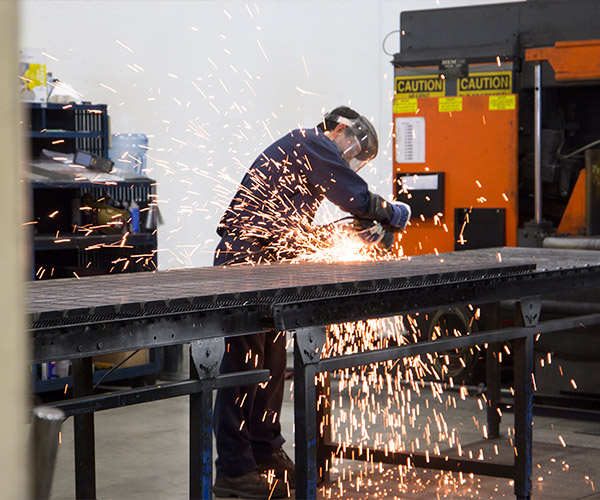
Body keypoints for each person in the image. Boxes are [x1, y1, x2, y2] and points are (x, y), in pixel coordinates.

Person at [212, 105, 411, 499]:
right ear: (340, 130)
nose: (349, 160)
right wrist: (392, 213)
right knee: (244, 365)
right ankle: (234, 471)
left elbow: (296, 232)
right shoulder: (312, 142)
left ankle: (264, 451)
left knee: (270, 362)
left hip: (268, 261)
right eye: (353, 154)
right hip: (246, 261)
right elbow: (353, 195)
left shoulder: (308, 156)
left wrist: (350, 234)